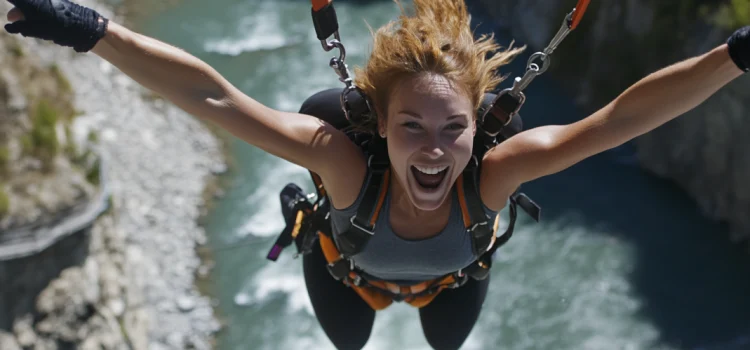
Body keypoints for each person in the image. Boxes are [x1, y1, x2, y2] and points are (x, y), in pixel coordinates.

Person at [4, 0, 748, 349]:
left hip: (450, 277)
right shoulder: (340, 161)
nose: (433, 150)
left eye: (455, 128)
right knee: (351, 344)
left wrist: (735, 56)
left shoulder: (493, 174)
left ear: (476, 129)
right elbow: (213, 95)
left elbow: (620, 120)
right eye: (411, 128)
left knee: (444, 344)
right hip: (344, 271)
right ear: (379, 126)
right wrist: (89, 29)